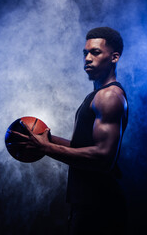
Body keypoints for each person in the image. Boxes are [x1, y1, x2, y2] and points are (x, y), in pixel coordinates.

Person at [11, 27, 128, 235]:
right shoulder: (97, 95)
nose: (88, 59)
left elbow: (103, 158)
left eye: (95, 52)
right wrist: (48, 139)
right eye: (85, 53)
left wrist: (46, 148)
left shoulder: (110, 96)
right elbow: (84, 148)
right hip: (85, 205)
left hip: (101, 209)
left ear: (114, 57)